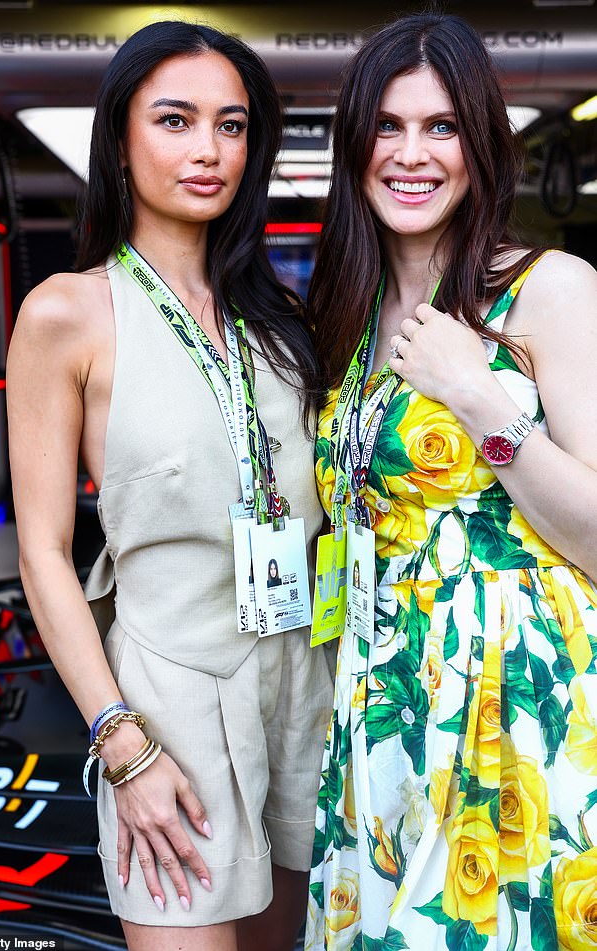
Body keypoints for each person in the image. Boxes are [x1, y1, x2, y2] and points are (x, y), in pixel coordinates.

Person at [6, 20, 333, 951]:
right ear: (120, 140)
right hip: (168, 711)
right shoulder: (69, 312)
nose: (207, 150)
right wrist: (122, 745)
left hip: (302, 688)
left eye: (231, 127)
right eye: (176, 120)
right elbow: (41, 554)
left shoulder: (284, 322)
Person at [306, 12, 597, 951]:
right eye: (387, 126)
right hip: (380, 691)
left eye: (441, 128)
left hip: (516, 694)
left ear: (482, 146)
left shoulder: (552, 289)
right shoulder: (344, 318)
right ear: (355, 146)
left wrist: (478, 397)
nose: (411, 153)